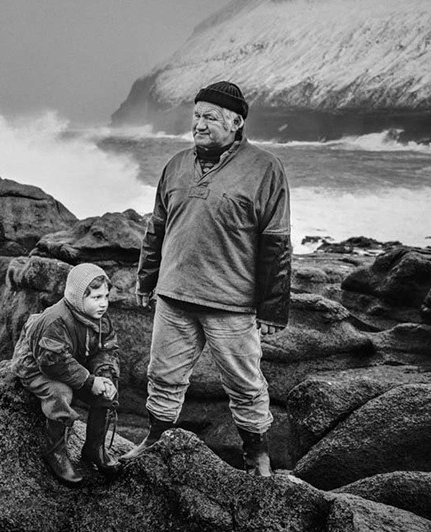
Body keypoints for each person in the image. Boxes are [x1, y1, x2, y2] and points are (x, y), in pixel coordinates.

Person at [119, 81, 291, 477]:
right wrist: (147, 281)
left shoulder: (265, 168)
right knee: (161, 376)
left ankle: (256, 454)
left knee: (245, 385)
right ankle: (156, 439)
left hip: (230, 303)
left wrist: (272, 307)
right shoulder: (176, 164)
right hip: (174, 297)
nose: (198, 124)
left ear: (236, 122)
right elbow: (157, 227)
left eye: (209, 117)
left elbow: (276, 242)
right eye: (196, 116)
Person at [11, 263, 122, 485]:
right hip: (37, 366)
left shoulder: (100, 318)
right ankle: (56, 452)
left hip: (71, 362)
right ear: (78, 296)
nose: (103, 304)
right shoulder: (55, 320)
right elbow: (53, 362)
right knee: (61, 392)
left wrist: (105, 375)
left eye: (106, 296)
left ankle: (94, 448)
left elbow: (107, 349)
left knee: (106, 393)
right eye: (96, 297)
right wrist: (89, 381)